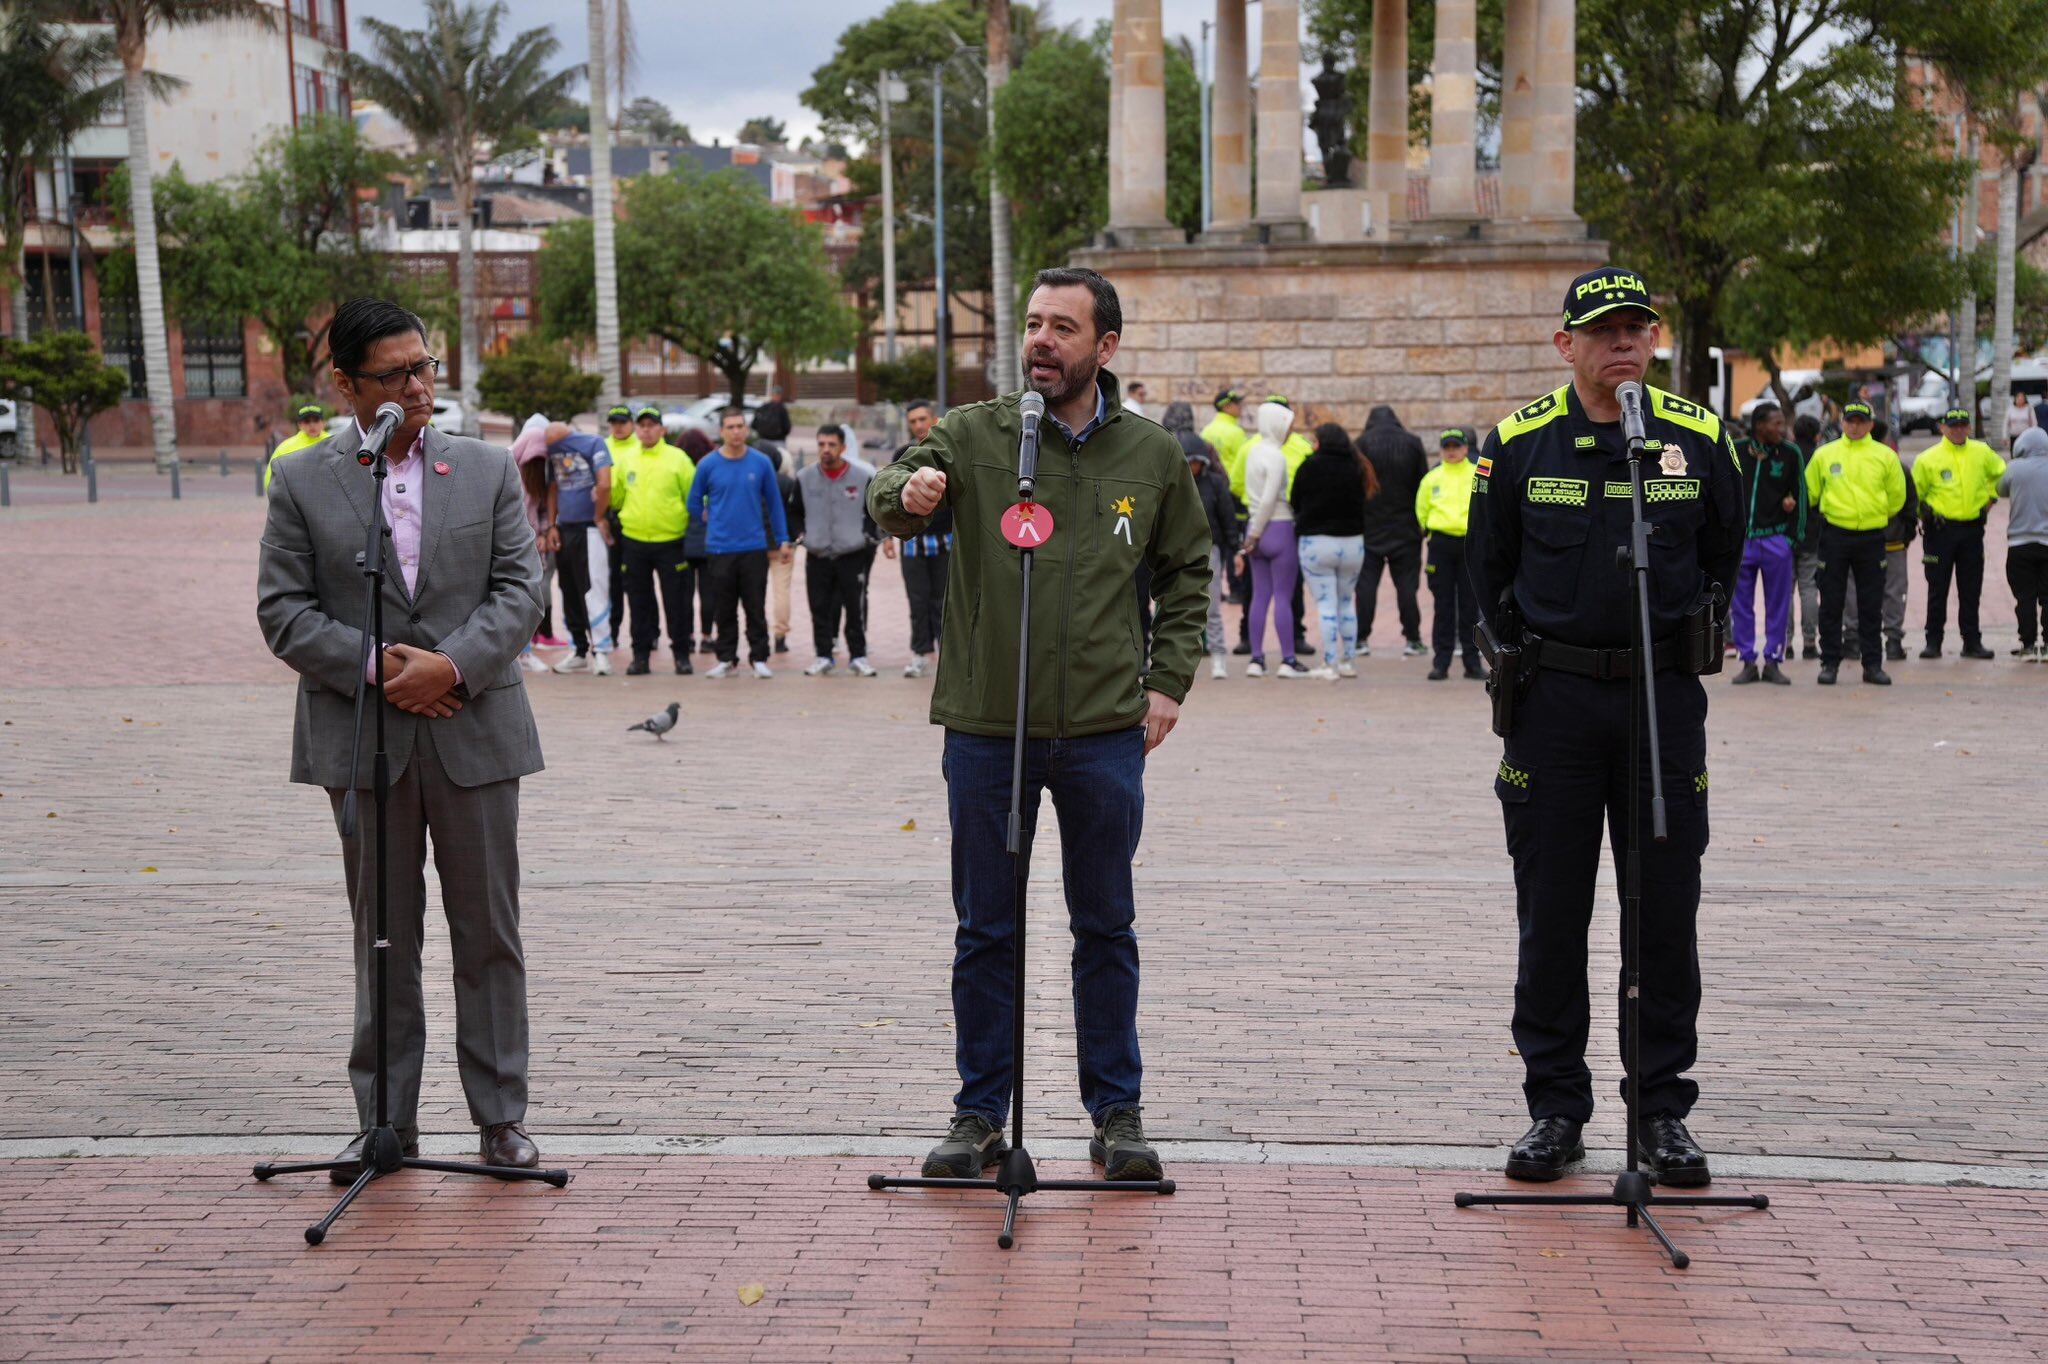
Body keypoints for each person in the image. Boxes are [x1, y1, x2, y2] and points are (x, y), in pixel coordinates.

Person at [867, 266, 1210, 1184]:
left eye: (1064, 327)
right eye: (1033, 324)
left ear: (1106, 348)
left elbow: (1187, 573)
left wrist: (1167, 682)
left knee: (1106, 925)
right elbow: (887, 489)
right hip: (987, 728)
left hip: (1105, 731)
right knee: (986, 927)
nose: (1041, 341)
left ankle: (1117, 1115)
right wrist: (910, 497)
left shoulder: (1151, 454)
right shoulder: (979, 435)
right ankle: (980, 1114)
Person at [256, 296, 547, 1176]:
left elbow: (518, 590)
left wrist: (448, 667)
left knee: (488, 933)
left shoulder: (488, 467)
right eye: (396, 374)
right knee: (382, 935)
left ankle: (501, 1118)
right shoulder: (306, 479)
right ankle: (386, 1120)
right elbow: (283, 612)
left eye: (424, 367)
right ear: (344, 384)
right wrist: (387, 670)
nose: (419, 387)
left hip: (476, 729)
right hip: (363, 742)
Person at [1466, 267, 1743, 1186]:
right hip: (1554, 707)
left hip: (1662, 702)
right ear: (1567, 346)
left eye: (1637, 330)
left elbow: (1721, 557)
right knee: (1552, 913)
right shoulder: (1516, 446)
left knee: (1664, 912)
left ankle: (1662, 1111)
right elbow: (1488, 573)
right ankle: (1555, 1107)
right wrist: (1537, 661)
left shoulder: (1701, 441)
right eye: (1605, 331)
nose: (1624, 345)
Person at [1805, 399, 1905, 685]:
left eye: (1861, 421)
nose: (1855, 426)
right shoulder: (1825, 455)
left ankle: (1872, 664)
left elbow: (1896, 497)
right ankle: (1829, 663)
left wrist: (1875, 515)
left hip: (1872, 537)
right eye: (1850, 421)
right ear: (1842, 423)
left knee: (1871, 604)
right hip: (1835, 535)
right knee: (1832, 602)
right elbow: (1810, 492)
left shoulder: (1885, 456)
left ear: (1871, 424)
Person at [688, 407, 792, 678]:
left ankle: (759, 657)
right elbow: (693, 501)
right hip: (720, 548)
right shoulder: (708, 464)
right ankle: (726, 658)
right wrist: (707, 519)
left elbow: (774, 504)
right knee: (724, 608)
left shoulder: (760, 463)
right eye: (730, 427)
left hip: (754, 547)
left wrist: (782, 539)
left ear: (746, 430)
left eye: (740, 426)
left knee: (755, 606)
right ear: (721, 431)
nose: (736, 432)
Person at [607, 406, 695, 676]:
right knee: (639, 601)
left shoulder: (678, 459)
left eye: (651, 425)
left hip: (671, 541)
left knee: (676, 601)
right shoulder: (627, 460)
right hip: (634, 542)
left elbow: (692, 498)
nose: (646, 430)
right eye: (642, 425)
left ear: (662, 429)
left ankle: (681, 654)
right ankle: (640, 656)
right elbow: (617, 497)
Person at [1914, 406, 2005, 660]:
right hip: (1940, 532)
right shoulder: (1928, 458)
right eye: (1952, 426)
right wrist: (1925, 514)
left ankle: (1972, 641)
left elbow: (2000, 475)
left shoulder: (1981, 451)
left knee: (1971, 588)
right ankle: (1933, 641)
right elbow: (1914, 494)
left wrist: (1991, 498)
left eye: (1962, 426)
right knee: (1937, 588)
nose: (1958, 430)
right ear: (1943, 427)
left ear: (1969, 427)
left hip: (1972, 530)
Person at [1728, 402, 1804, 685]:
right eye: (1777, 423)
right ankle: (1748, 660)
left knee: (1778, 604)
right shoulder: (1736, 450)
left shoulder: (1789, 453)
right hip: (1742, 543)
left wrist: (1791, 539)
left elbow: (1801, 497)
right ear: (1759, 426)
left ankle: (1773, 661)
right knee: (1741, 606)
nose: (1781, 429)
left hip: (1776, 540)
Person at [1289, 421, 1372, 678]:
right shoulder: (1358, 466)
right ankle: (1348, 662)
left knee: (1325, 604)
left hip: (1317, 543)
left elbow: (1295, 500)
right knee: (1346, 603)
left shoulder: (1309, 465)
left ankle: (1329, 663)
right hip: (1352, 543)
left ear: (1321, 442)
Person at [796, 423, 880, 676]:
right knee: (819, 606)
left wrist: (867, 536)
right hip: (818, 552)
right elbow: (794, 512)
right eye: (821, 444)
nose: (826, 450)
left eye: (831, 445)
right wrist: (801, 536)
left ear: (843, 448)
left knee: (854, 607)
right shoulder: (804, 477)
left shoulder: (861, 477)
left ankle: (858, 655)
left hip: (851, 552)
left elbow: (873, 513)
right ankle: (823, 655)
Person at [1239, 399, 1310, 678]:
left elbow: (1254, 496)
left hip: (1255, 528)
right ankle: (1288, 659)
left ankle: (1256, 659)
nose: (1290, 430)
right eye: (1288, 424)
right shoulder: (1277, 455)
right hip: (1278, 527)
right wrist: (1259, 530)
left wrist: (1252, 533)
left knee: (1259, 595)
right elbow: (1270, 498)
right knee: (1283, 596)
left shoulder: (1253, 451)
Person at [538, 420, 614, 675]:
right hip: (566, 528)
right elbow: (554, 487)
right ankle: (580, 650)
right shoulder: (557, 451)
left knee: (592, 588)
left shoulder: (594, 443)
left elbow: (605, 484)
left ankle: (600, 650)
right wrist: (552, 525)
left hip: (587, 528)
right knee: (570, 588)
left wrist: (599, 516)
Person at [1838, 419, 1916, 664]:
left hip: (1858, 539)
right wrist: (1906, 534)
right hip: (1891, 541)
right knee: (1894, 590)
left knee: (1852, 589)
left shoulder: (1846, 461)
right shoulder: (1896, 464)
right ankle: (1892, 641)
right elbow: (1908, 504)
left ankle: (1852, 640)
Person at [1355, 405, 1429, 658]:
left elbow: (1356, 487)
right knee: (1407, 587)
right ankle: (1413, 638)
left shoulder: (1360, 444)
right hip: (1406, 527)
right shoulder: (1413, 443)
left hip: (1369, 527)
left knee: (1365, 586)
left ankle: (1360, 639)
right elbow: (1423, 484)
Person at [1416, 428, 1482, 681]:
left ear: (1466, 449)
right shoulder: (1432, 478)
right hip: (1440, 545)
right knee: (1442, 605)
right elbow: (1421, 510)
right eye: (1447, 447)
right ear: (1442, 450)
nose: (1452, 452)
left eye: (1456, 447)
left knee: (1469, 606)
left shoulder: (1476, 473)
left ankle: (1472, 662)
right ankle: (1441, 662)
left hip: (1468, 544)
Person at [893, 399, 951, 678]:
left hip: (947, 541)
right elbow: (890, 496)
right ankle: (919, 653)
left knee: (945, 600)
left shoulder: (948, 451)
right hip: (913, 541)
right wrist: (886, 538)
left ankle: (947, 656)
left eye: (922, 419)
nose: (918, 425)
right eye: (913, 421)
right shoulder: (903, 454)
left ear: (934, 418)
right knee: (917, 600)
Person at [1179, 428, 1240, 679]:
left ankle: (1219, 657)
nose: (1193, 466)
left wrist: (1234, 550)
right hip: (1179, 553)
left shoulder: (1214, 483)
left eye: (1196, 462)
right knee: (1178, 608)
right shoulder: (1176, 483)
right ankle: (1179, 662)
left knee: (1213, 607)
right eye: (1189, 461)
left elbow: (1228, 519)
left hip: (1210, 550)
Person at [2001, 425, 2048, 660]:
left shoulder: (2014, 468)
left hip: (2020, 544)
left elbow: (2001, 490)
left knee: (2025, 597)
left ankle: (2028, 645)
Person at [1786, 412, 1825, 660]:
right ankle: (1810, 642)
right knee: (1809, 587)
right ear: (1818, 435)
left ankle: (1785, 642)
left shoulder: (1786, 454)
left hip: (1786, 532)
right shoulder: (1821, 456)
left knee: (1785, 590)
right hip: (1813, 531)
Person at [601, 404, 637, 653]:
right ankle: (612, 631)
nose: (619, 427)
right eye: (614, 422)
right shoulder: (602, 446)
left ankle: (648, 632)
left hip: (634, 518)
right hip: (609, 518)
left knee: (636, 580)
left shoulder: (640, 447)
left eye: (623, 422)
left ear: (631, 423)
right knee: (612, 578)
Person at [765, 441, 802, 654]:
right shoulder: (787, 482)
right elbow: (795, 512)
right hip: (783, 544)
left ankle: (758, 630)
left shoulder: (755, 480)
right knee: (782, 590)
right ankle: (780, 635)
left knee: (755, 592)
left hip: (756, 543)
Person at [265, 403, 330, 489]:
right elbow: (271, 475)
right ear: (300, 425)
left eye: (316, 420)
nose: (312, 425)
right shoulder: (286, 447)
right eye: (307, 421)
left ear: (323, 423)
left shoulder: (333, 443)